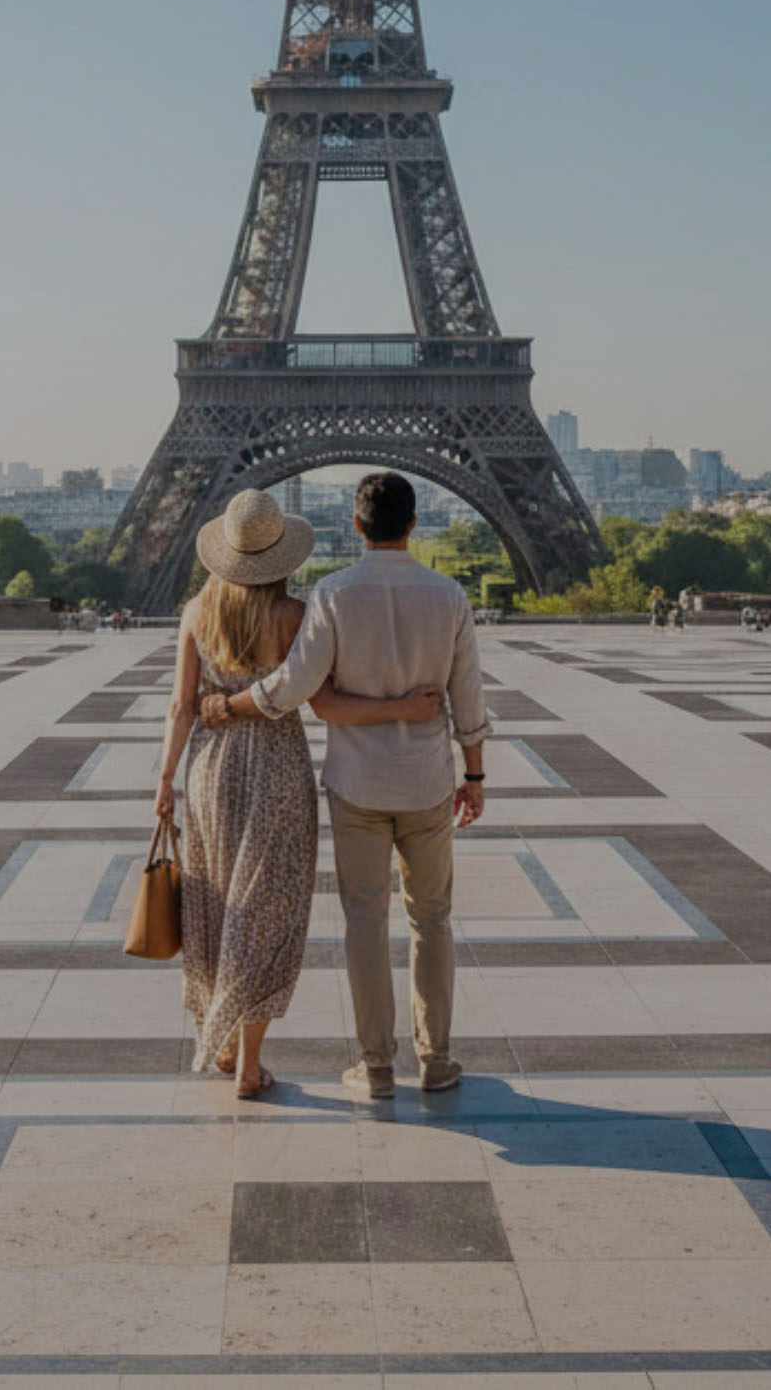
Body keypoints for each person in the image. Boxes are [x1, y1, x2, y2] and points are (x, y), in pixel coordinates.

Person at [201, 470, 490, 1102]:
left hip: (357, 784)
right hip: (428, 782)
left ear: (357, 525)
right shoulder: (448, 596)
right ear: (414, 523)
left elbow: (294, 686)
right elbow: (468, 695)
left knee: (365, 921)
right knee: (432, 920)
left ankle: (376, 1065)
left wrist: (230, 705)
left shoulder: (332, 593)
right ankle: (436, 1059)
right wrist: (474, 774)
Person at [154, 487, 442, 1101]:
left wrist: (164, 781)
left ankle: (222, 1039)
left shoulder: (194, 613)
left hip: (209, 771)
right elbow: (326, 702)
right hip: (278, 769)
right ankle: (248, 1062)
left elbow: (181, 705)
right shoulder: (294, 617)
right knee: (265, 914)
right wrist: (402, 709)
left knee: (214, 906)